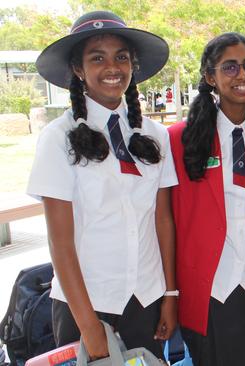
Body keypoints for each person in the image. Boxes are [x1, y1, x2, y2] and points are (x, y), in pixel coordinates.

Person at [28, 10, 177, 360]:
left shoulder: (155, 136)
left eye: (121, 57)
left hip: (145, 297)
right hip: (86, 304)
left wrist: (169, 296)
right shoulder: (57, 137)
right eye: (98, 58)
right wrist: (90, 327)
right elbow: (60, 241)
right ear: (79, 70)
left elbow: (163, 221)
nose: (112, 67)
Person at [168, 32, 245, 366]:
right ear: (210, 77)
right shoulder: (180, 140)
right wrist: (171, 293)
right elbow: (166, 223)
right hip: (206, 289)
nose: (242, 75)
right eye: (230, 67)